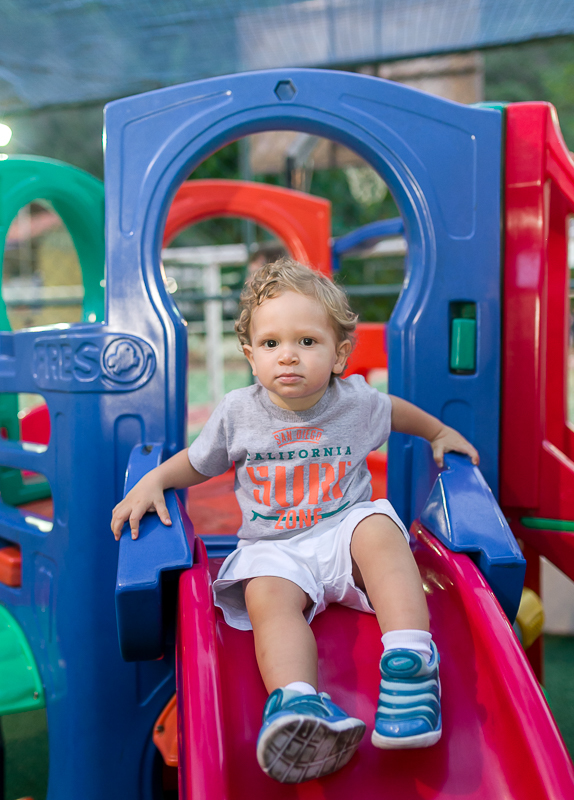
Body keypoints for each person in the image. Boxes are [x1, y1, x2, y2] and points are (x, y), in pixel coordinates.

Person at [111, 259, 479, 784]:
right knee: (267, 597)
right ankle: (297, 704)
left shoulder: (354, 403)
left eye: (307, 341)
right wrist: (156, 481)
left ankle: (409, 664)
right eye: (271, 344)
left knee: (379, 529)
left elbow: (396, 411)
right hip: (275, 546)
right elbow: (198, 461)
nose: (288, 355)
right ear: (250, 355)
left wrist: (439, 431)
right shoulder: (239, 412)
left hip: (343, 534)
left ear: (338, 354)